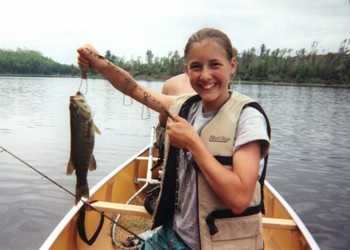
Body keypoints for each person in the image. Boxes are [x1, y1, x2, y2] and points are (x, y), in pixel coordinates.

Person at [77, 27, 270, 250]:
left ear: (232, 66)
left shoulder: (248, 118)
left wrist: (193, 144)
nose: (205, 75)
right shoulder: (186, 106)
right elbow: (134, 89)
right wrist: (99, 62)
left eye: (215, 64)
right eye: (196, 67)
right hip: (173, 235)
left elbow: (239, 199)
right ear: (187, 71)